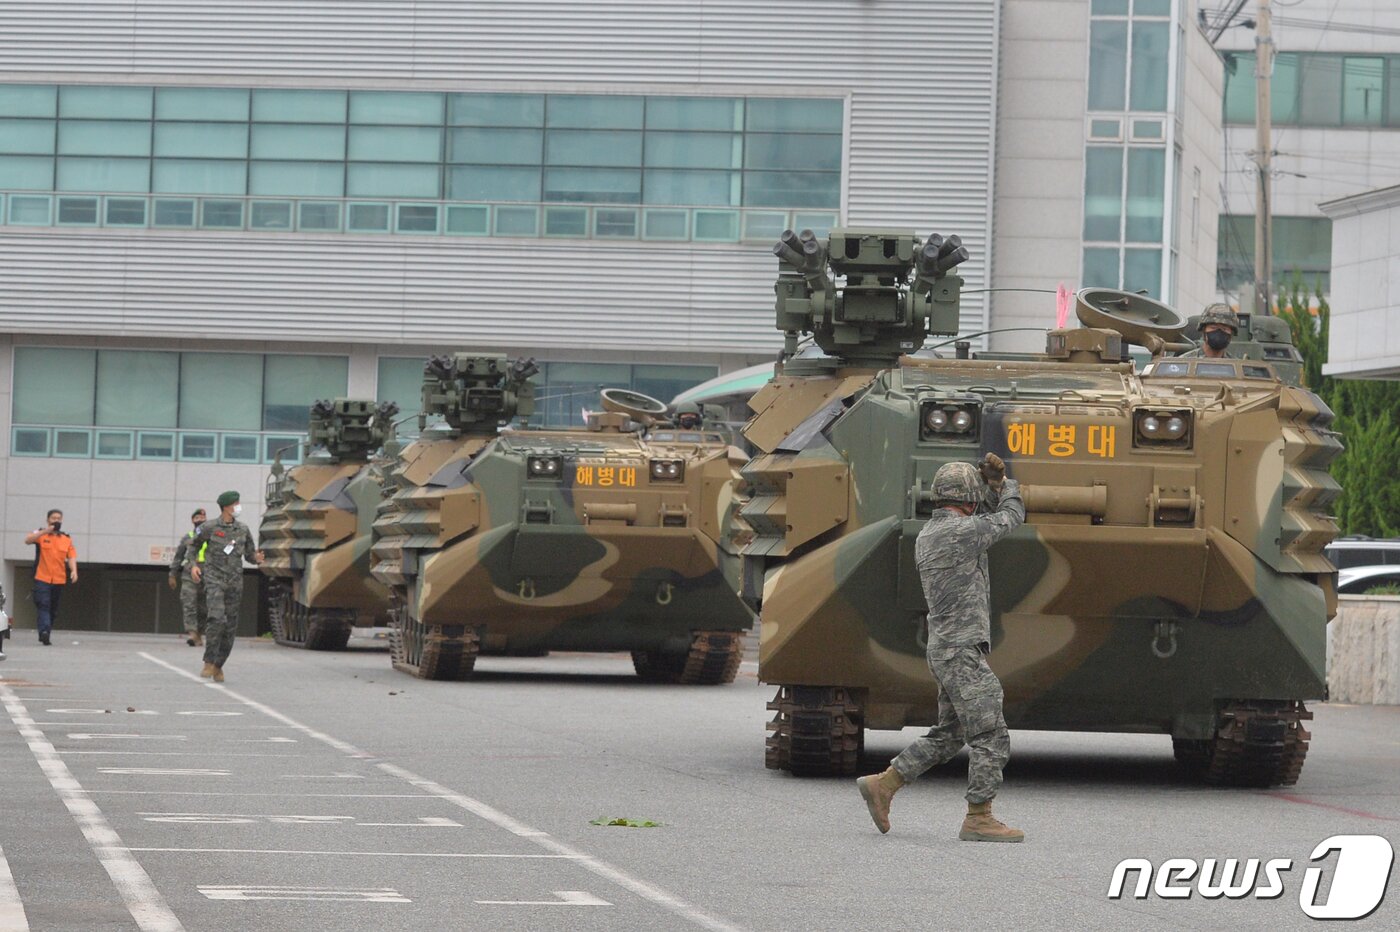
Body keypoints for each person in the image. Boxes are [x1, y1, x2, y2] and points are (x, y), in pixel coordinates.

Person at [856, 453, 1026, 842]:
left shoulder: (934, 533)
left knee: (951, 733)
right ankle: (979, 817)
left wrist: (987, 490)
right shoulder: (963, 532)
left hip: (946, 648)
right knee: (990, 732)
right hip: (961, 650)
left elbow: (983, 519)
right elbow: (1011, 516)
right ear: (970, 498)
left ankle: (884, 784)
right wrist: (1004, 485)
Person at [191, 491, 263, 682]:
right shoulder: (209, 527)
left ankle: (218, 664)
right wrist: (193, 566)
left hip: (235, 582)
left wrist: (257, 559)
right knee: (216, 618)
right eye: (236, 503)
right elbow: (193, 546)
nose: (238, 506)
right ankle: (208, 661)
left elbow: (249, 555)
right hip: (214, 579)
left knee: (230, 626)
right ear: (226, 506)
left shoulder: (243, 529)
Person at [24, 509, 78, 646]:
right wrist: (45, 531)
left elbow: (71, 556)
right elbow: (28, 540)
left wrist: (74, 571)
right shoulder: (41, 534)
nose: (56, 520)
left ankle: (46, 630)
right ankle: (44, 632)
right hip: (42, 577)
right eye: (53, 518)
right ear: (48, 520)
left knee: (53, 609)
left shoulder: (66, 538)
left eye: (59, 518)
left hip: (59, 579)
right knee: (43, 604)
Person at [168, 508, 209, 647]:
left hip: (207, 574)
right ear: (193, 520)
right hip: (189, 574)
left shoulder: (212, 537)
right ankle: (192, 632)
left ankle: (199, 633)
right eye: (197, 518)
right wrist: (172, 574)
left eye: (203, 518)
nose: (200, 520)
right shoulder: (188, 537)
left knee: (204, 608)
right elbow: (179, 556)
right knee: (189, 602)